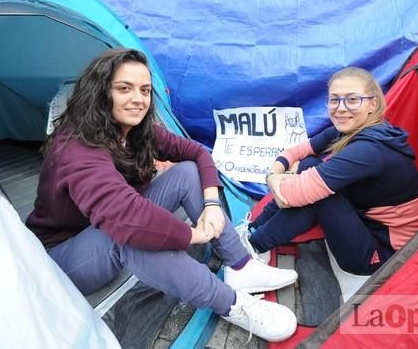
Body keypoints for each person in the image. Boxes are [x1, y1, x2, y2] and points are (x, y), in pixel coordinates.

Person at [25, 48, 298, 342]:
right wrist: (191, 235)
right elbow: (128, 218)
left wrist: (211, 204)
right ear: (101, 92)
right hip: (60, 257)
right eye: (124, 88)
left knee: (186, 172)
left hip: (104, 227)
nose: (138, 99)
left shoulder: (133, 130)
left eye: (144, 90)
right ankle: (231, 304)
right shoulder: (77, 149)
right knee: (130, 234)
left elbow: (195, 152)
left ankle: (241, 265)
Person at [237, 67, 418, 276]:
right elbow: (298, 150)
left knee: (318, 195)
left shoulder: (369, 150)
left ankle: (252, 249)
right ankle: (253, 230)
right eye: (334, 100)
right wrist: (275, 173)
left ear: (373, 104)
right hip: (367, 221)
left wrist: (275, 179)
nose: (341, 108)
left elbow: (290, 196)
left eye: (352, 99)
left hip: (384, 253)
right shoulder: (350, 129)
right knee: (309, 163)